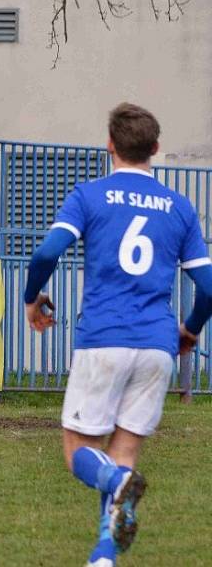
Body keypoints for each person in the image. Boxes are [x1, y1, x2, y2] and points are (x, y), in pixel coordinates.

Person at [24, 102, 212, 567]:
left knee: (79, 453)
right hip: (156, 345)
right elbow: (208, 286)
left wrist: (32, 297)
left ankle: (114, 486)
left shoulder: (89, 195)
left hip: (104, 338)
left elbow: (48, 251)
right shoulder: (180, 207)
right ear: (155, 148)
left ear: (110, 145)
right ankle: (103, 556)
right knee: (122, 453)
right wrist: (189, 329)